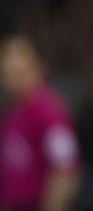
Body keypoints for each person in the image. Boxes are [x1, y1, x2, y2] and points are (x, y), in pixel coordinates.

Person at [0, 35, 81, 211]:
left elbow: (65, 169)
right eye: (7, 74)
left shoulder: (49, 112)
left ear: (36, 68)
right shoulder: (11, 113)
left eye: (18, 73)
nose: (12, 81)